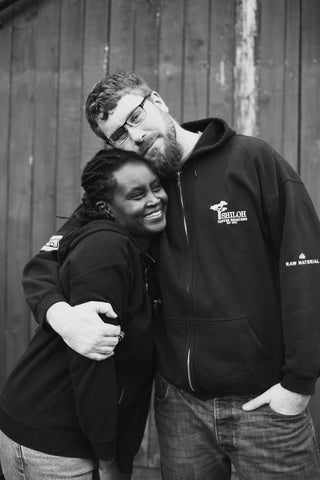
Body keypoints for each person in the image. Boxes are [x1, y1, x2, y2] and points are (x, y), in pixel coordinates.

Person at [21, 72, 320, 479]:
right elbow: (46, 261)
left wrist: (299, 384)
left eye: (136, 116)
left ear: (157, 101)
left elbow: (305, 266)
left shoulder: (253, 161)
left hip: (265, 406)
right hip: (180, 409)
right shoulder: (133, 188)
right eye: (119, 135)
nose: (136, 136)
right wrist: (61, 316)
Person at [0, 148, 168, 480]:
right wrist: (106, 457)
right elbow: (91, 362)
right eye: (137, 194)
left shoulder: (131, 238)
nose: (154, 199)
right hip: (57, 444)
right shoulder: (106, 249)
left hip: (64, 432)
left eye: (156, 186)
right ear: (106, 208)